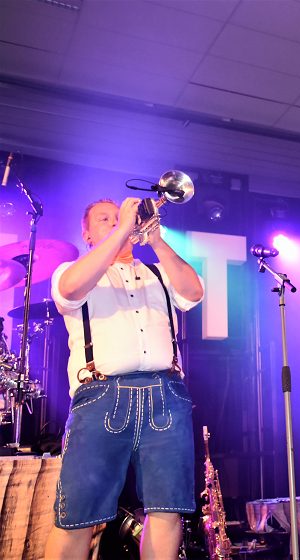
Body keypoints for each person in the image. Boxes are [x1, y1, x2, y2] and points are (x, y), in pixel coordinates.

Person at [45, 197, 204, 558]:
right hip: (100, 397)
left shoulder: (158, 271)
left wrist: (156, 240)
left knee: (167, 511)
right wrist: (120, 231)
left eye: (120, 217)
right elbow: (69, 290)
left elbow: (193, 293)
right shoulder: (72, 270)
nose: (119, 221)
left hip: (165, 395)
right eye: (105, 219)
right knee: (77, 516)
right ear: (87, 234)